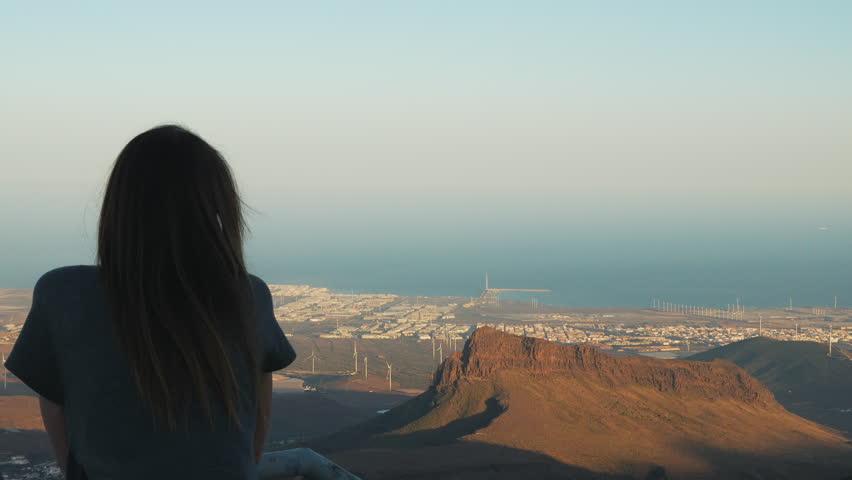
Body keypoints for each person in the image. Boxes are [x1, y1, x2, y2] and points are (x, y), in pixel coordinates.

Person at [4, 125, 297, 479]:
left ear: (119, 204)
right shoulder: (248, 296)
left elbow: (57, 410)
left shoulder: (61, 293)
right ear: (218, 208)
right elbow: (256, 425)